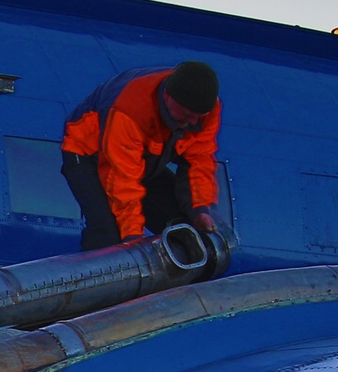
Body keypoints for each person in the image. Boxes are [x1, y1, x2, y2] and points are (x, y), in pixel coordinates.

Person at [60, 59, 227, 251]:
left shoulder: (206, 110)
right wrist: (132, 237)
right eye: (187, 115)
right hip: (89, 155)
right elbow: (121, 178)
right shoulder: (129, 110)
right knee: (109, 237)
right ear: (167, 96)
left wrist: (200, 210)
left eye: (199, 116)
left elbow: (200, 159)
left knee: (187, 229)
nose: (193, 122)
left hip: (143, 158)